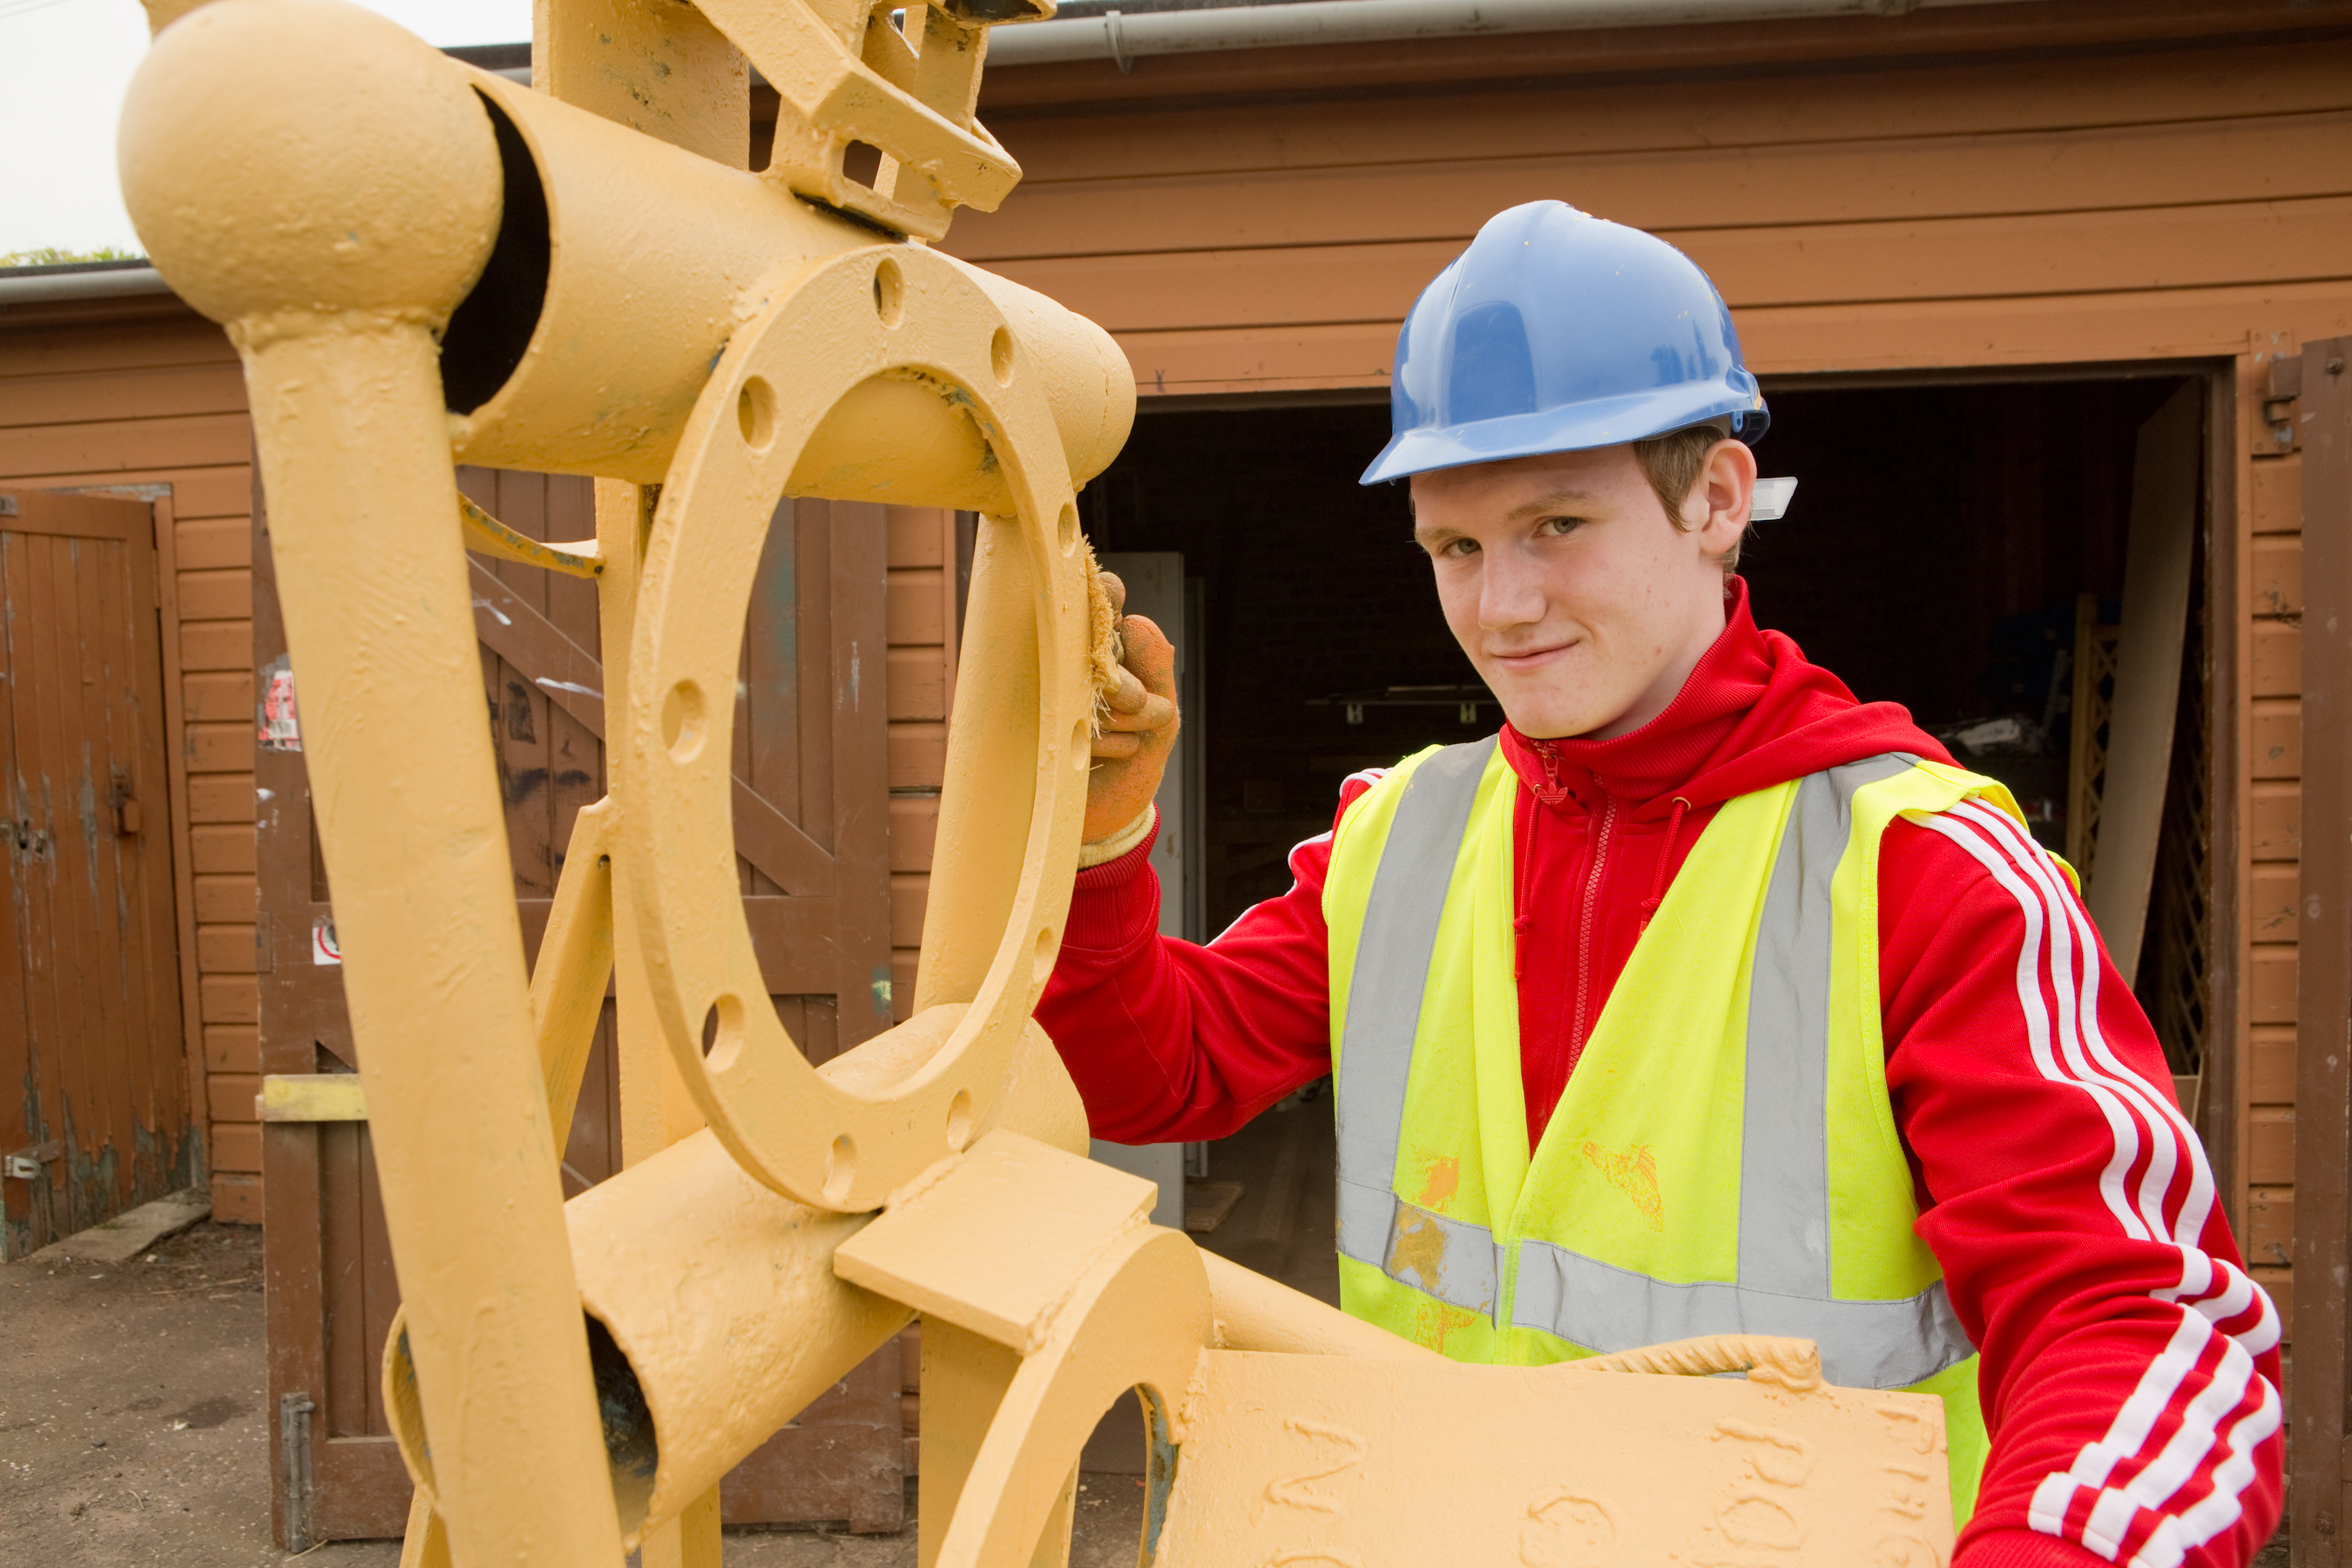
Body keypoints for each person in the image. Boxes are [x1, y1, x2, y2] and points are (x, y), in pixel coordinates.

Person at [1039, 200, 2280, 1568]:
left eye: (1555, 524)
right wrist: (1101, 851)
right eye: (1455, 548)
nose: (1501, 606)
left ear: (1717, 500)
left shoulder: (1926, 872)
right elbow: (1151, 1074)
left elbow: (2141, 1331)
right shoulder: (1401, 838)